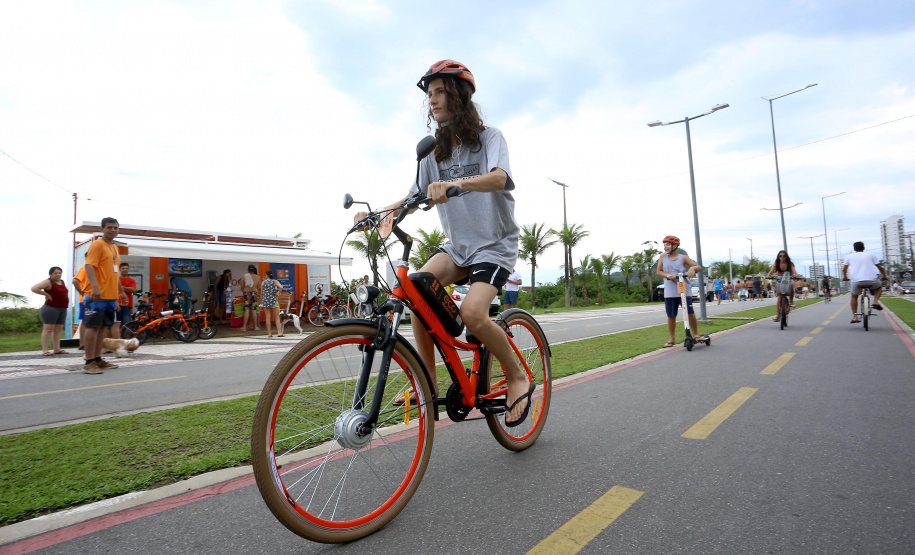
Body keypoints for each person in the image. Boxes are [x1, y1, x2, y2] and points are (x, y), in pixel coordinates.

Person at [352, 59, 531, 426]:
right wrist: (377, 214)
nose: (431, 100)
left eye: (438, 92)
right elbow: (413, 197)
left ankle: (517, 377)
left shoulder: (490, 139)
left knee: (472, 314)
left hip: (494, 245)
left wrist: (459, 185)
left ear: (458, 94)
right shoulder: (433, 152)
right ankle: (428, 382)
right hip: (458, 246)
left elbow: (500, 179)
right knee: (417, 289)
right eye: (429, 94)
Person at [82, 218, 126, 374]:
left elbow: (115, 272)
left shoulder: (114, 247)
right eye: (109, 227)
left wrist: (120, 292)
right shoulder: (97, 244)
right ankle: (88, 361)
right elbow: (89, 266)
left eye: (115, 228)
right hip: (96, 294)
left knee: (102, 329)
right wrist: (94, 286)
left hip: (110, 296)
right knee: (92, 327)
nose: (113, 230)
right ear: (102, 229)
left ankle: (97, 359)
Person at [656, 235, 706, 348]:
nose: (666, 247)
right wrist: (667, 275)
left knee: (689, 312)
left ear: (675, 246)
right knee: (671, 315)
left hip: (683, 290)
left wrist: (692, 268)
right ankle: (671, 339)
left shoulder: (683, 258)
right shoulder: (662, 257)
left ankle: (696, 335)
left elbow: (699, 267)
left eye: (668, 244)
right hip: (669, 292)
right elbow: (659, 271)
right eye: (664, 245)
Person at [842, 241, 888, 324]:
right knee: (879, 287)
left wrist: (845, 277)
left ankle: (855, 317)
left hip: (857, 281)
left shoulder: (849, 256)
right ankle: (875, 301)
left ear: (854, 248)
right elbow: (880, 268)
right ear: (864, 248)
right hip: (872, 280)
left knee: (854, 296)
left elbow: (844, 269)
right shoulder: (871, 255)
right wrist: (884, 276)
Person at [31, 266, 70, 356]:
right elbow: (34, 288)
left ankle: (57, 349)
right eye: (55, 273)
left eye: (59, 273)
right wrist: (45, 294)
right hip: (51, 308)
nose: (58, 274)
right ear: (51, 274)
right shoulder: (48, 282)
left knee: (58, 329)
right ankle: (45, 350)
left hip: (63, 308)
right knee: (48, 329)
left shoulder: (62, 282)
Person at [766, 250, 802, 322]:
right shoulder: (776, 263)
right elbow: (771, 271)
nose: (782, 257)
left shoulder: (790, 264)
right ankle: (778, 316)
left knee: (792, 284)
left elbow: (794, 272)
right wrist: (768, 275)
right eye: (780, 256)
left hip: (788, 278)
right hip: (780, 279)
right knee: (779, 298)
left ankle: (791, 302)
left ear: (786, 257)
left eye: (784, 256)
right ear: (778, 257)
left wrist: (797, 276)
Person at [115, 262, 137, 335]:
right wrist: (126, 289)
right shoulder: (116, 279)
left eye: (126, 268)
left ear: (128, 269)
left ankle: (126, 340)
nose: (125, 270)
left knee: (127, 324)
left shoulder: (131, 280)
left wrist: (121, 287)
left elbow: (133, 290)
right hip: (116, 304)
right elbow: (114, 289)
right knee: (116, 324)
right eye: (123, 268)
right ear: (120, 270)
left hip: (127, 305)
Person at [261, 270, 283, 337]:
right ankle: (279, 333)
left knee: (268, 317)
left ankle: (269, 333)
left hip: (266, 300)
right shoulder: (274, 281)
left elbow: (262, 293)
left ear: (266, 275)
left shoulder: (263, 282)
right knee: (276, 317)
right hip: (273, 299)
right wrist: (278, 293)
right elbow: (281, 287)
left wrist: (262, 301)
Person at [241, 265, 261, 332]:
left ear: (248, 270)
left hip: (247, 293)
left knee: (246, 309)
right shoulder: (258, 277)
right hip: (254, 293)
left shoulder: (244, 276)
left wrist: (245, 292)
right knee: (254, 309)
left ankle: (244, 327)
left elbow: (242, 287)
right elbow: (258, 287)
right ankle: (255, 326)